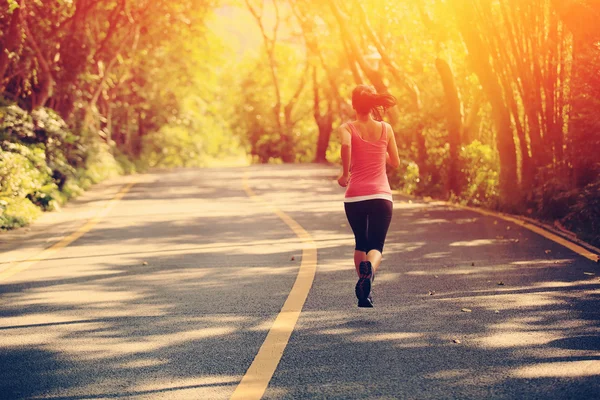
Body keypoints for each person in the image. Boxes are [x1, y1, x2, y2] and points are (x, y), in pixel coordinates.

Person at [337, 85, 400, 307]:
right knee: (377, 246)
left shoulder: (347, 128)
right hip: (381, 196)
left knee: (360, 243)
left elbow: (346, 146)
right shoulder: (386, 128)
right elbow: (396, 162)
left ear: (354, 104)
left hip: (354, 196)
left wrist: (345, 173)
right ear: (372, 104)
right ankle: (369, 272)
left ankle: (364, 290)